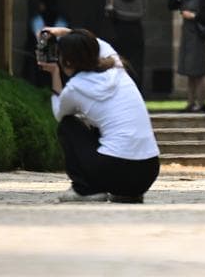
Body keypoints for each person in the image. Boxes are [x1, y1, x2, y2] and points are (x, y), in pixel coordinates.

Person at [37, 27, 160, 203]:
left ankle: (84, 190)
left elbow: (59, 114)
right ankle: (127, 193)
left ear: (68, 62)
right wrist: (62, 32)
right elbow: (96, 43)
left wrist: (55, 74)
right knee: (97, 124)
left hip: (113, 170)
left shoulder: (75, 88)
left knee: (68, 125)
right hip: (148, 171)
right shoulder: (116, 65)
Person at [105, 0, 149, 91]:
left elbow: (108, 10)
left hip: (119, 30)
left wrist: (119, 14)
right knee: (136, 64)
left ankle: (120, 90)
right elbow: (143, 11)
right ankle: (136, 90)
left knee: (119, 62)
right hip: (135, 29)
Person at [24, 0, 68, 88]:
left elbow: (40, 37)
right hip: (50, 54)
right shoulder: (59, 20)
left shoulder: (39, 19)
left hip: (47, 53)